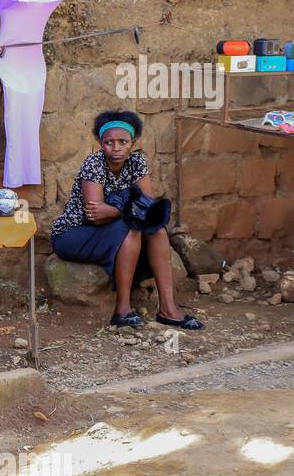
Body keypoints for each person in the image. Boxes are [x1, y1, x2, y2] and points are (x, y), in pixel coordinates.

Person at [50, 110, 202, 330]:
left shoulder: (137, 162)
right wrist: (128, 209)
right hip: (74, 233)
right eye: (109, 142)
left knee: (156, 230)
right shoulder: (94, 164)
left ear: (133, 143)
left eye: (123, 141)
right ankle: (122, 310)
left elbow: (148, 211)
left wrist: (114, 210)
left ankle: (168, 309)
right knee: (132, 228)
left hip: (112, 229)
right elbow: (95, 216)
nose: (116, 147)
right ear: (100, 144)